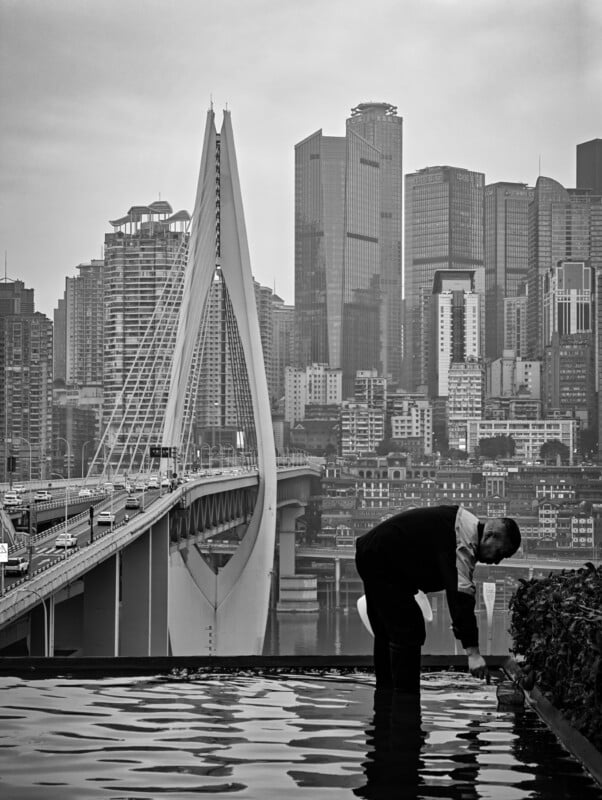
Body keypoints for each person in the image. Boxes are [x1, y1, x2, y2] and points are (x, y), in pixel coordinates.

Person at [355, 505, 521, 694]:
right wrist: (473, 654)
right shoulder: (463, 540)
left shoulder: (462, 527)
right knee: (409, 630)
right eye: (500, 553)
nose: (497, 561)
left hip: (373, 554)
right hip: (380, 561)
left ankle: (386, 695)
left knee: (387, 633)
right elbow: (460, 596)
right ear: (490, 535)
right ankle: (405, 701)